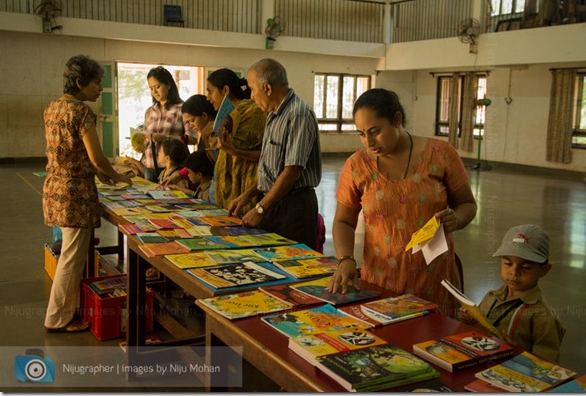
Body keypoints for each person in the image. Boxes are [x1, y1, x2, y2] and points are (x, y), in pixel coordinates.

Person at [326, 88, 477, 315]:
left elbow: (467, 204)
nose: (368, 142)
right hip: (380, 281)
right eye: (361, 134)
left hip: (433, 278)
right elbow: (343, 222)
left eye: (375, 131)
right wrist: (345, 258)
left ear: (397, 120)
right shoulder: (357, 165)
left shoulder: (441, 154)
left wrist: (458, 218)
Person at [42, 54, 132, 332]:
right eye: (96, 82)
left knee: (71, 255)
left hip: (56, 187)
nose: (100, 89)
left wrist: (103, 174)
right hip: (75, 193)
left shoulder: (53, 108)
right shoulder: (81, 112)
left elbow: (74, 154)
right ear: (80, 83)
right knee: (71, 258)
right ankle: (57, 318)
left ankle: (64, 312)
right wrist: (115, 176)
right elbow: (96, 157)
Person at [227, 58, 321, 250]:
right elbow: (272, 169)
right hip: (273, 201)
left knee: (293, 265)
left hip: (294, 206)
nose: (252, 96)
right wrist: (248, 195)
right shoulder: (273, 114)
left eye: (253, 90)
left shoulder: (298, 115)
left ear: (267, 88)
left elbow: (292, 171)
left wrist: (260, 208)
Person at [473, 224, 565, 362]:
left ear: (544, 270)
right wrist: (469, 320)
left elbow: (546, 364)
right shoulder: (491, 297)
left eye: (526, 267)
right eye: (508, 264)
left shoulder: (543, 317)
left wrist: (517, 353)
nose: (514, 272)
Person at [206, 68, 266, 214]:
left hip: (246, 183)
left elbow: (262, 153)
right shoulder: (225, 117)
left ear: (225, 90)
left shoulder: (252, 112)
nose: (208, 97)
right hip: (226, 185)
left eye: (210, 91)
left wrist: (232, 149)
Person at [142, 66, 196, 182]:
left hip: (173, 168)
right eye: (151, 88)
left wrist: (166, 137)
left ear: (169, 85)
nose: (154, 92)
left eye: (157, 87)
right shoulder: (150, 112)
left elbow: (193, 139)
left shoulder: (182, 109)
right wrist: (140, 144)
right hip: (150, 167)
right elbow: (146, 140)